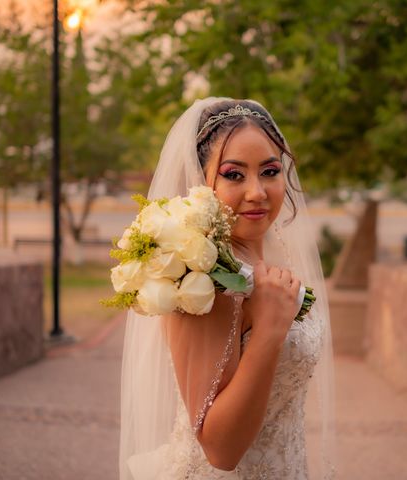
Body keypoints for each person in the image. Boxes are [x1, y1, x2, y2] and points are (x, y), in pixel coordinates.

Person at [119, 97, 337, 479]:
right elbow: (220, 449)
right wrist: (269, 330)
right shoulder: (202, 281)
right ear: (202, 184)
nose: (257, 192)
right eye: (234, 175)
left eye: (269, 171)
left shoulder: (269, 264)